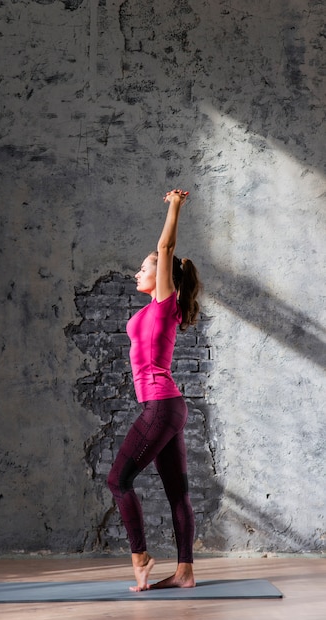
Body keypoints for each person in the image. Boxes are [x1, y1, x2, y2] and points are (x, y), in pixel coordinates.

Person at [107, 188, 202, 592]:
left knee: (118, 480)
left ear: (162, 276)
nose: (137, 273)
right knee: (177, 493)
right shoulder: (152, 310)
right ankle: (185, 573)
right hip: (169, 405)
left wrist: (175, 206)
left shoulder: (165, 302)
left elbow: (165, 246)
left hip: (160, 406)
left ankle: (141, 555)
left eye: (143, 268)